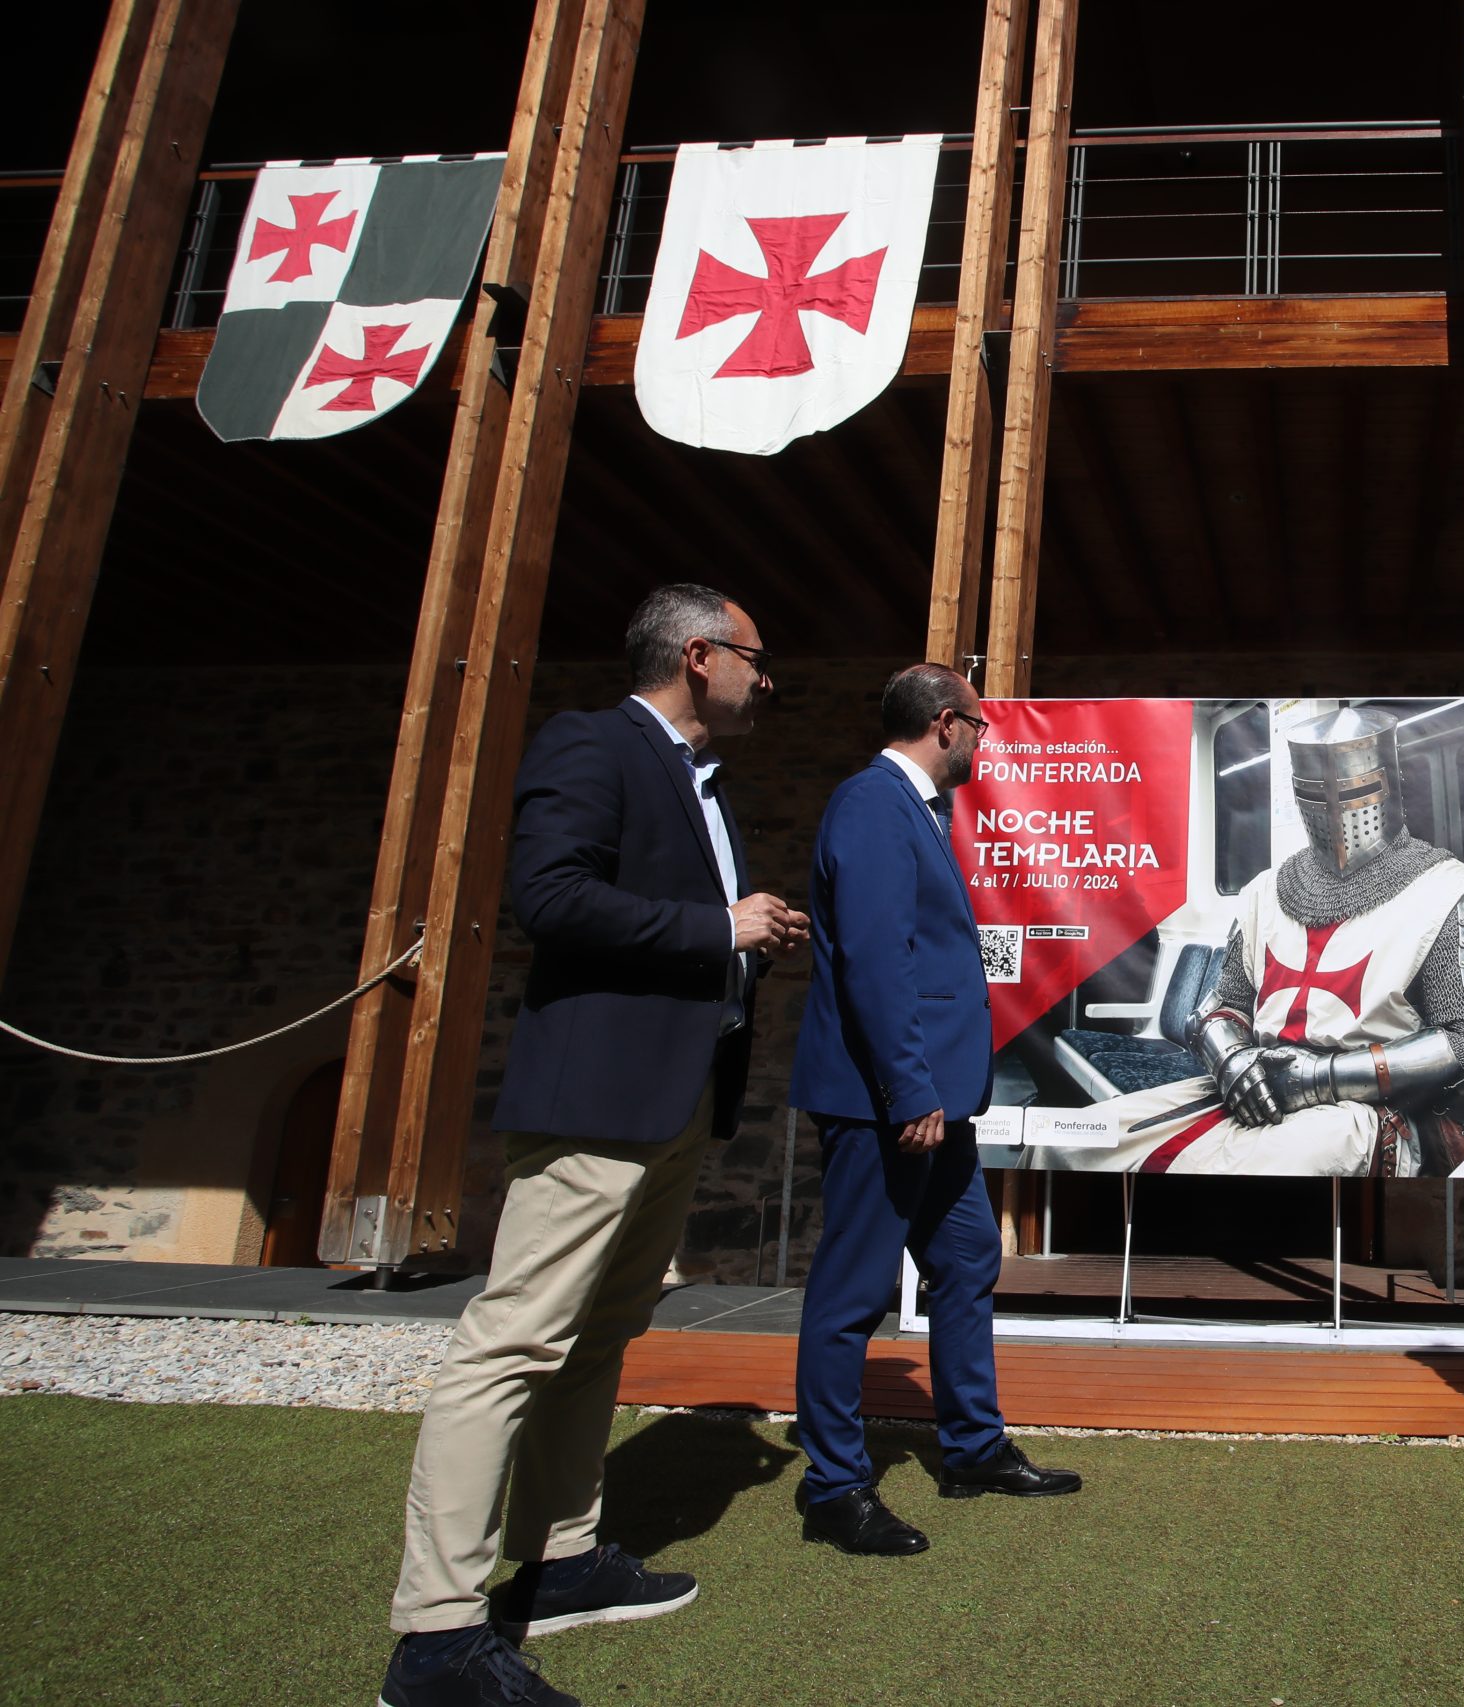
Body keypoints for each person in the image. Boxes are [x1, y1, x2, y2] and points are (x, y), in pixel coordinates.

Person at [381, 585, 808, 1707]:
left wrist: (739, 949)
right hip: (596, 1102)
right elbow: (549, 895)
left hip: (672, 1101)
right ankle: (434, 1639)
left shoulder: (702, 778)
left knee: (600, 1333)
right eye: (756, 663)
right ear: (699, 655)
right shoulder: (590, 743)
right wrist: (721, 926)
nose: (767, 683)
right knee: (512, 1342)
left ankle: (562, 1560)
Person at [788, 663, 1080, 1560]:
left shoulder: (911, 808)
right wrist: (910, 1089)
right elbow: (879, 961)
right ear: (947, 724)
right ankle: (833, 1485)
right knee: (854, 1290)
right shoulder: (874, 804)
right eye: (981, 727)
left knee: (964, 1256)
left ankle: (973, 1448)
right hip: (893, 1104)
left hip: (935, 1106)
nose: (986, 742)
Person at [1036, 703, 1464, 1176]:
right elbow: (1220, 1006)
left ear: (1390, 784)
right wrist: (1233, 1059)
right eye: (1312, 793)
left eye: (1356, 789)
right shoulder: (1266, 891)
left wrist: (1318, 1078)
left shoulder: (1451, 893)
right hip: (1249, 1085)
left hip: (1365, 1110)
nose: (1335, 811)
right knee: (1077, 1141)